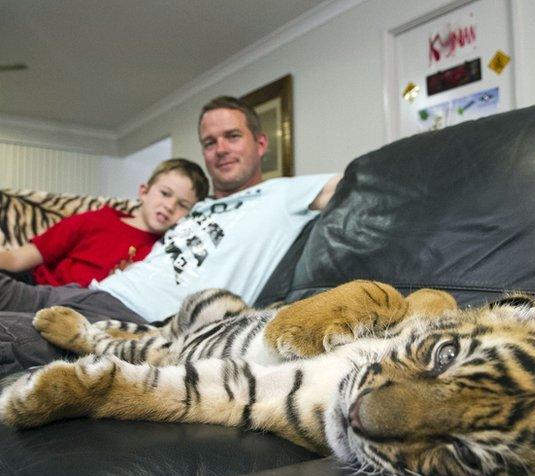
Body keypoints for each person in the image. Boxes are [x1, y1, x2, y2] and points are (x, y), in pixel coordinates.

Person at [0, 96, 341, 374]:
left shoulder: (284, 194)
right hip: (85, 293)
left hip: (131, 321)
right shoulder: (194, 208)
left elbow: (359, 182)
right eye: (210, 142)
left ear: (261, 142)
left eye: (233, 136)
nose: (220, 148)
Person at [0, 158, 209, 287]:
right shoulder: (97, 220)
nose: (170, 206)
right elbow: (19, 259)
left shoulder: (166, 252)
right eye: (164, 193)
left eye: (182, 204)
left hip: (81, 313)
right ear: (143, 192)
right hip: (35, 287)